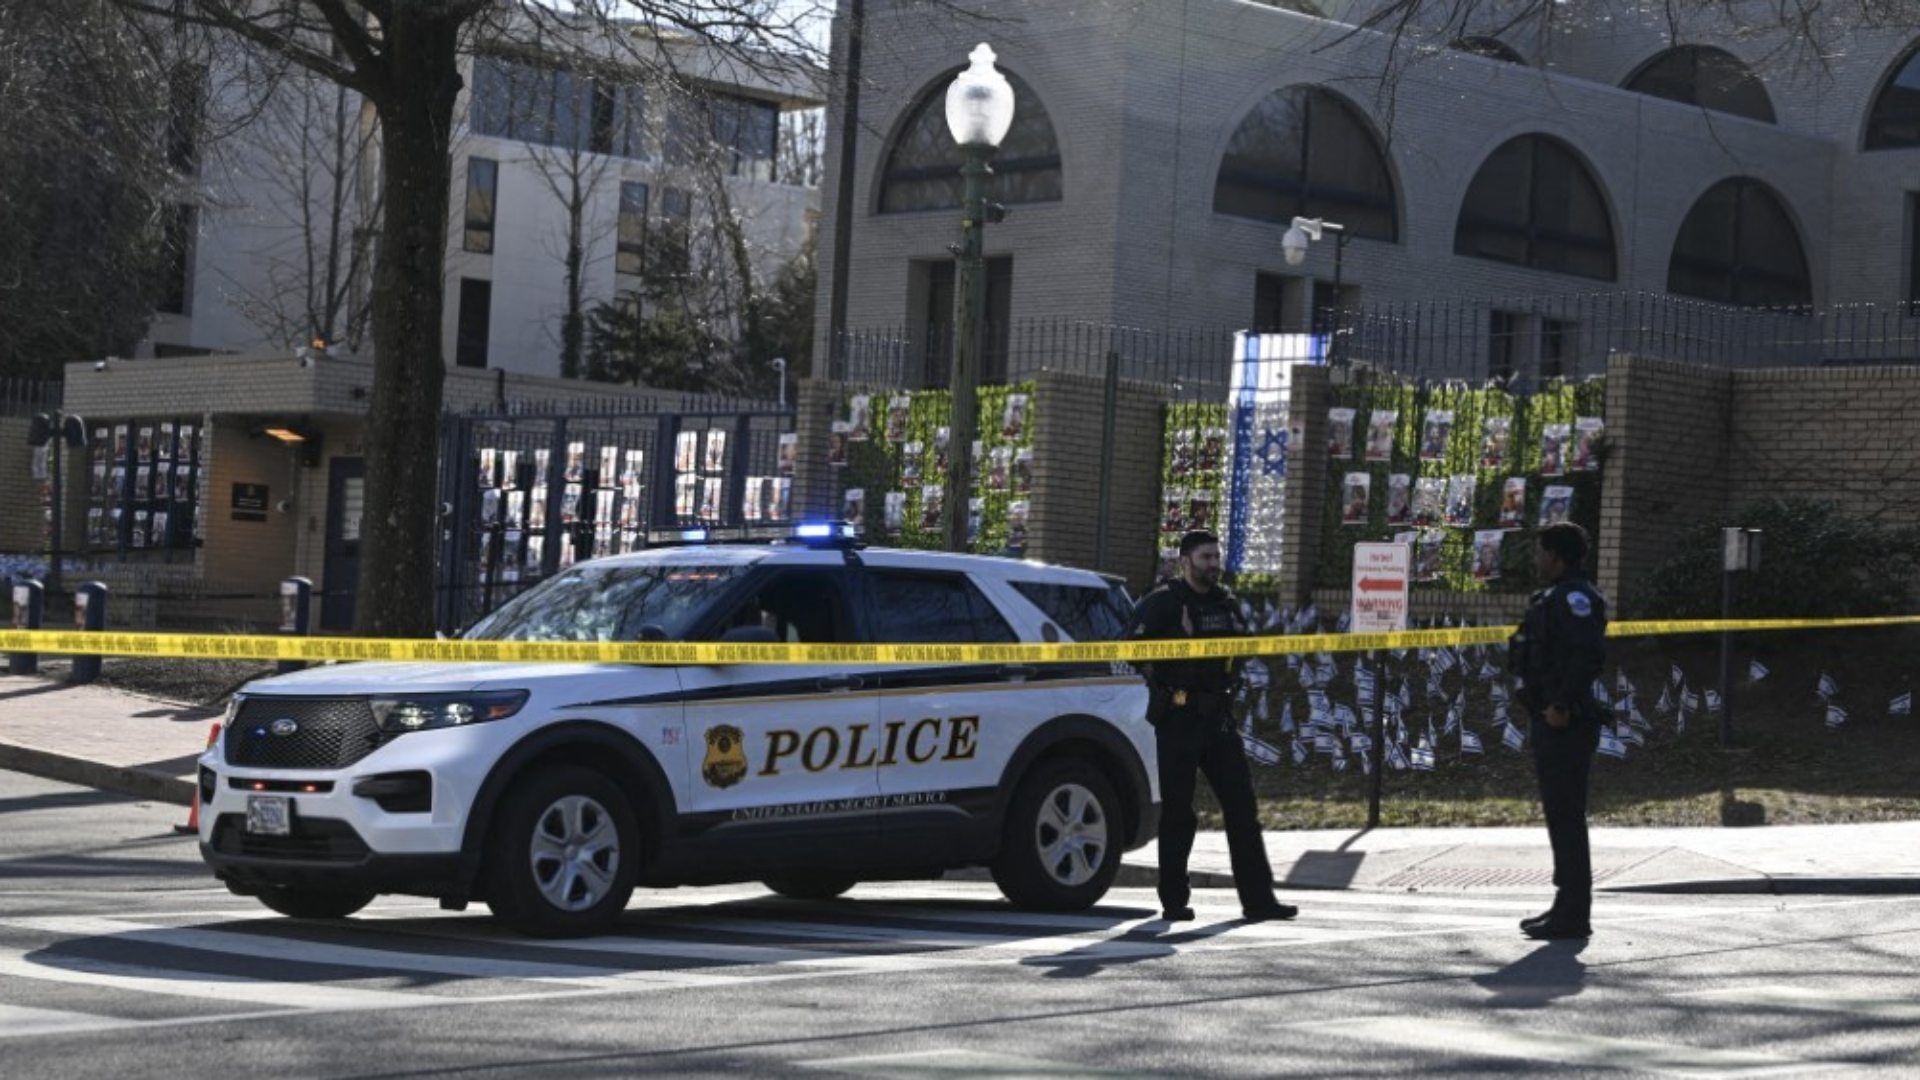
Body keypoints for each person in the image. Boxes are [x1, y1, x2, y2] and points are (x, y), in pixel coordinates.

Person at [1132, 530, 1296, 924]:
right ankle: (1174, 900)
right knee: (1178, 812)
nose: (1214, 564)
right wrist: (1175, 649)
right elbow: (1131, 651)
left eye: (1216, 557)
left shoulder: (1226, 603)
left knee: (1242, 809)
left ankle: (1258, 900)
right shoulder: (1162, 604)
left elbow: (1244, 647)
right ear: (1185, 560)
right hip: (1178, 718)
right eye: (1206, 557)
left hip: (1218, 719)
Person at [1508, 521, 1609, 940]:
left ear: (1557, 555)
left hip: (1565, 719)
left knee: (1567, 817)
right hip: (1547, 716)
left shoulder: (1577, 598)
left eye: (1542, 551)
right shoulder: (1552, 597)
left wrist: (1562, 704)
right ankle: (1564, 905)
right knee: (1559, 816)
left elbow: (1585, 657)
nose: (1537, 559)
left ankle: (1574, 914)